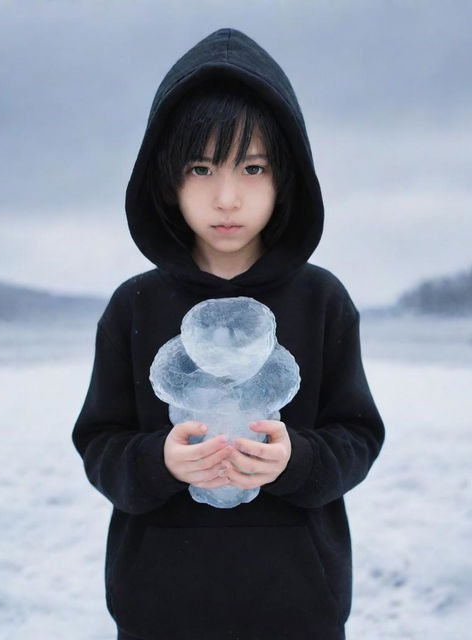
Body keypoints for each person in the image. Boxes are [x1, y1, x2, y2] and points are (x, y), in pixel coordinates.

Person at [72, 27, 385, 640]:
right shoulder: (133, 305)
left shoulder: (321, 299)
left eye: (252, 166)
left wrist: (299, 460)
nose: (226, 196)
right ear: (166, 177)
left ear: (285, 175)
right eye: (200, 166)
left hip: (298, 606)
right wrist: (156, 461)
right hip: (159, 609)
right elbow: (99, 442)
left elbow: (358, 435)